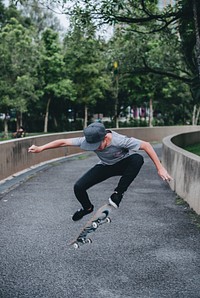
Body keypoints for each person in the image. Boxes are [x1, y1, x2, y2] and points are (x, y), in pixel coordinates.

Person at [28, 122, 172, 221]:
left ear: (105, 137)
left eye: (99, 145)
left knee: (137, 159)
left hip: (124, 164)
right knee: (78, 187)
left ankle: (118, 194)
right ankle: (87, 208)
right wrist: (41, 148)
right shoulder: (86, 140)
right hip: (105, 166)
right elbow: (63, 141)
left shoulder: (119, 140)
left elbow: (146, 145)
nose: (97, 148)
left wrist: (160, 167)